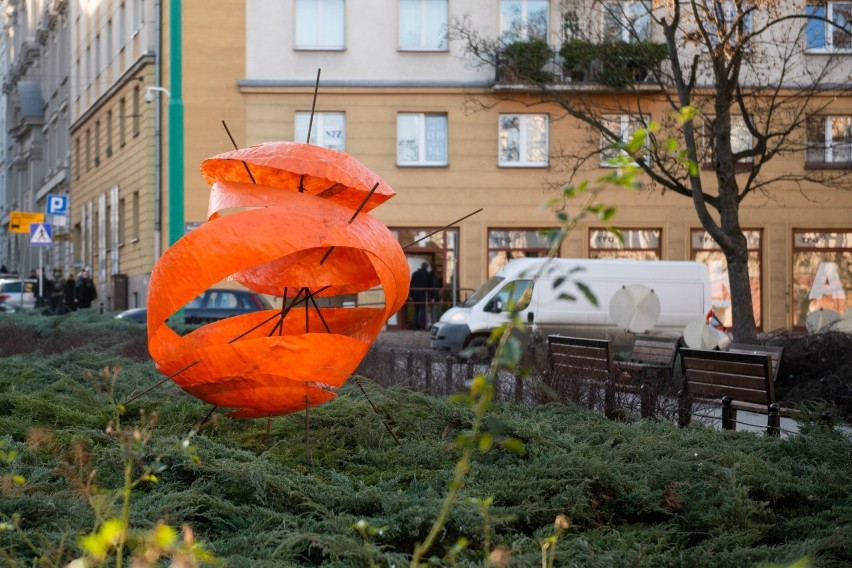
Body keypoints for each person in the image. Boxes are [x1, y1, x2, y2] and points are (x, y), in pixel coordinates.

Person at [409, 262, 436, 330]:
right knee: (422, 310)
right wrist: (432, 297)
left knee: (416, 309)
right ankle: (421, 325)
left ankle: (416, 325)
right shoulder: (428, 275)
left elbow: (411, 285)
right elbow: (431, 286)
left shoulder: (415, 273)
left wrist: (411, 295)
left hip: (416, 294)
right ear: (426, 267)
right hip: (424, 295)